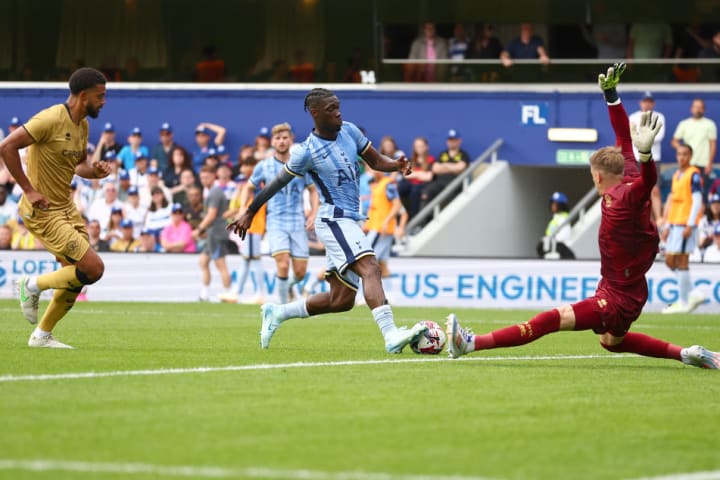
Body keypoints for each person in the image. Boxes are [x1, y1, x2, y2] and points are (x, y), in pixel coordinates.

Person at [445, 63, 719, 370]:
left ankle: (469, 343)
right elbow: (624, 138)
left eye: (592, 175)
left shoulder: (623, 198)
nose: (593, 180)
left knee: (554, 318)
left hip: (618, 296)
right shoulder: (626, 173)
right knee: (611, 343)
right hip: (627, 287)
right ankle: (687, 353)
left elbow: (648, 181)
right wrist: (611, 96)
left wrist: (646, 157)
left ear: (600, 177)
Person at [228, 87, 428, 353]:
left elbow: (376, 161)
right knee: (371, 267)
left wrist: (397, 165)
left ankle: (278, 312)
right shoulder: (306, 152)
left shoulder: (350, 130)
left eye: (338, 106)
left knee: (341, 300)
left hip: (348, 220)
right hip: (333, 219)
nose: (338, 112)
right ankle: (391, 335)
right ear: (315, 113)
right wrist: (251, 211)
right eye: (332, 108)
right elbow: (276, 183)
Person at [0, 67, 110, 349]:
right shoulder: (49, 119)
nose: (104, 102)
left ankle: (41, 335)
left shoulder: (82, 125)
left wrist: (94, 172)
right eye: (100, 96)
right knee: (93, 267)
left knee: (77, 277)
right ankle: (31, 285)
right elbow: (7, 147)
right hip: (43, 210)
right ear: (83, 96)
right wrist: (29, 189)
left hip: (65, 208)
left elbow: (79, 165)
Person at [237, 122, 318, 304]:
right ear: (272, 141)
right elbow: (248, 188)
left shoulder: (301, 164)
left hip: (298, 222)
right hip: (275, 222)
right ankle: (281, 307)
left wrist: (314, 213)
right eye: (278, 138)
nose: (281, 141)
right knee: (282, 263)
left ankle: (289, 287)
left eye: (285, 138)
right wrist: (243, 209)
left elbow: (313, 190)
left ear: (291, 139)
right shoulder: (263, 166)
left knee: (299, 272)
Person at [660, 143, 707, 314]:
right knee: (670, 261)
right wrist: (667, 226)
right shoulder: (676, 175)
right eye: (679, 154)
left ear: (690, 156)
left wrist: (691, 223)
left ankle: (684, 302)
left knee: (681, 261)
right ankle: (693, 293)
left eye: (685, 154)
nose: (682, 157)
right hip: (674, 224)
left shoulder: (693, 175)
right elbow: (673, 202)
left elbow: (696, 201)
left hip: (685, 223)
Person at [223, 156, 267, 304]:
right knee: (247, 260)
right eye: (245, 165)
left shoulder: (257, 185)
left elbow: (253, 205)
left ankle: (258, 293)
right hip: (251, 226)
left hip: (254, 225)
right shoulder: (253, 184)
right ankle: (237, 292)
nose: (246, 168)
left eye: (250, 165)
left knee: (254, 259)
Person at [364, 165, 407, 296]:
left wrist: (387, 221)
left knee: (365, 262)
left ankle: (363, 295)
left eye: (371, 168)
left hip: (380, 230)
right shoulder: (378, 186)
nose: (370, 172)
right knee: (382, 264)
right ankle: (389, 295)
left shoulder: (388, 185)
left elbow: (397, 205)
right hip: (377, 228)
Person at [194, 165, 233, 302]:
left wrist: (199, 229)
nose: (204, 180)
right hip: (211, 233)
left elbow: (211, 215)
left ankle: (229, 294)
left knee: (221, 264)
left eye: (207, 177)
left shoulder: (215, 192)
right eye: (202, 177)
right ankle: (204, 294)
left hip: (217, 233)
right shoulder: (211, 192)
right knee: (203, 261)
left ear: (214, 176)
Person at [629, 91, 666, 225]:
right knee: (639, 190)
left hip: (653, 158)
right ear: (641, 103)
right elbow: (632, 137)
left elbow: (659, 137)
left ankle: (659, 218)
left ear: (653, 103)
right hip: (637, 159)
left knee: (654, 189)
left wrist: (643, 139)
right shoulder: (633, 117)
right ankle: (644, 219)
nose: (647, 104)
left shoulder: (659, 117)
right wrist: (645, 139)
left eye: (650, 101)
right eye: (645, 101)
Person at [671, 99, 717, 197]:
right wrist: (683, 151)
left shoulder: (710, 124)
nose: (698, 110)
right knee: (686, 192)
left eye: (700, 107)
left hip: (703, 165)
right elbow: (674, 141)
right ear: (691, 109)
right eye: (696, 107)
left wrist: (710, 164)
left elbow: (713, 145)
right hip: (687, 165)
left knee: (702, 194)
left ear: (704, 110)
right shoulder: (684, 124)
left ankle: (701, 212)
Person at [419, 129, 470, 211]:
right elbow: (435, 168)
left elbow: (460, 168)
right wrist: (453, 167)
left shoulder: (463, 154)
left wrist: (444, 165)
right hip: (439, 181)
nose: (452, 142)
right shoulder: (443, 154)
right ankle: (424, 222)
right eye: (450, 140)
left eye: (454, 140)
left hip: (454, 182)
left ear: (459, 141)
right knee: (425, 194)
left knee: (449, 196)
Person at [536, 191, 575, 259]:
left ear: (561, 205)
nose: (552, 206)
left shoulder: (563, 219)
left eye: (555, 204)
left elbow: (564, 237)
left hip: (558, 250)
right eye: (552, 203)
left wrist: (551, 243)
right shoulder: (556, 218)